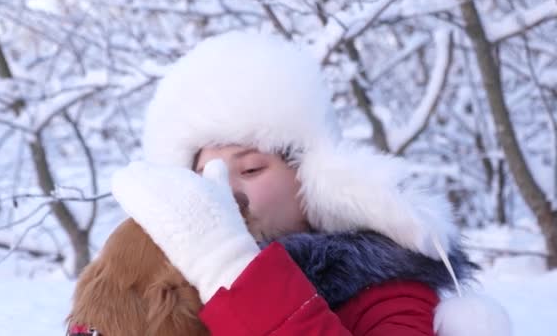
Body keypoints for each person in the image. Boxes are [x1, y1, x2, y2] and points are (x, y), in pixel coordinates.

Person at [111, 31, 510, 335]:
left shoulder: (389, 291)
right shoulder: (171, 294)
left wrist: (229, 265)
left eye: (250, 170)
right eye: (202, 177)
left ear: (310, 178)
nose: (225, 191)